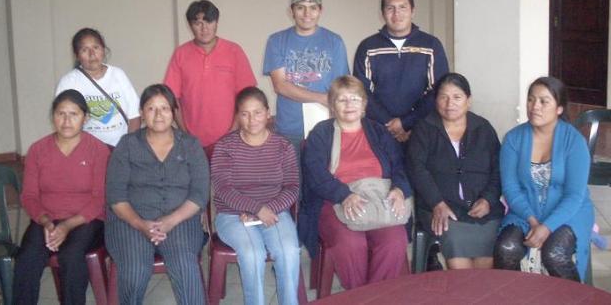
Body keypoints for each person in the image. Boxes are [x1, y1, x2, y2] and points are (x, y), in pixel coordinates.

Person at [299, 75, 412, 290]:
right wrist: (344, 195)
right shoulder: (321, 133)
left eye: (354, 99)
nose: (349, 104)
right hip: (334, 200)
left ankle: (374, 296)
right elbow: (315, 174)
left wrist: (399, 189)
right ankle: (360, 295)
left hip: (379, 199)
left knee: (395, 240)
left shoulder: (379, 131)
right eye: (342, 100)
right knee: (351, 244)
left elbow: (400, 165)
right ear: (333, 106)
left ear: (364, 104)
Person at [105, 84, 209, 304]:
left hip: (180, 219)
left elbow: (200, 194)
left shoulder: (190, 145)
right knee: (135, 270)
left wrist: (171, 220)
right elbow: (116, 196)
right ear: (142, 113)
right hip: (131, 220)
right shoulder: (127, 145)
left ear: (174, 112)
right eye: (151, 108)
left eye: (164, 108)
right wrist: (140, 224)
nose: (159, 114)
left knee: (185, 267)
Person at [14, 89, 110, 305]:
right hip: (46, 219)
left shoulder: (97, 150)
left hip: (87, 219)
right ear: (53, 117)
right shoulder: (38, 150)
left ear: (85, 118)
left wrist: (67, 226)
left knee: (71, 255)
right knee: (27, 258)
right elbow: (29, 196)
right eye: (61, 114)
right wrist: (46, 222)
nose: (66, 121)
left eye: (73, 114)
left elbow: (99, 198)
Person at [494, 76, 593, 282]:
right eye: (531, 99)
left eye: (543, 101)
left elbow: (574, 195)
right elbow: (510, 188)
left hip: (568, 212)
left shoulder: (574, 142)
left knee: (555, 253)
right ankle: (516, 296)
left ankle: (574, 297)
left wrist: (546, 227)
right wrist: (532, 221)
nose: (535, 107)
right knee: (506, 248)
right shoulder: (513, 139)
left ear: (559, 108)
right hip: (525, 211)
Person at [211, 87, 300, 305]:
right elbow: (223, 188)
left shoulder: (283, 146)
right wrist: (256, 209)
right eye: (245, 114)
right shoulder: (225, 147)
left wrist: (266, 210)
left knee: (288, 251)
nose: (252, 120)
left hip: (274, 212)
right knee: (252, 254)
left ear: (268, 113)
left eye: (258, 112)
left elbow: (292, 187)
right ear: (237, 116)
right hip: (233, 215)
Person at [407, 73, 503, 269]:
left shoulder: (483, 129)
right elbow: (417, 169)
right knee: (457, 251)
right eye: (443, 97)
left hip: (483, 210)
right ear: (436, 100)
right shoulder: (424, 129)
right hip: (441, 209)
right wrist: (437, 203)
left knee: (488, 258)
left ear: (468, 100)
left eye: (457, 97)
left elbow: (499, 169)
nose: (450, 103)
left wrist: (487, 200)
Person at [353, 0, 449, 144]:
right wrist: (390, 124)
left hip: (422, 131)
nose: (396, 14)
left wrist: (406, 122)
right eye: (390, 8)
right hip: (379, 131)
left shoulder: (431, 45)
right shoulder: (368, 47)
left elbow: (439, 90)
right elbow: (361, 92)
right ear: (382, 13)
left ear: (413, 11)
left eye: (402, 7)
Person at [164, 0, 256, 153]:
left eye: (209, 21)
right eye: (198, 23)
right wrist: (186, 134)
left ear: (216, 22)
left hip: (231, 139)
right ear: (190, 25)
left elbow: (247, 96)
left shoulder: (234, 51)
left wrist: (233, 131)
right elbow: (172, 98)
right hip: (192, 143)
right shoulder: (181, 54)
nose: (204, 28)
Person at [263, 0, 349, 149]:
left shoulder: (334, 41)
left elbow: (341, 86)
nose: (307, 14)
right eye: (300, 7)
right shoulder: (276, 41)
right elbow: (280, 85)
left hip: (326, 126)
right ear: (292, 11)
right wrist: (322, 98)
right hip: (289, 129)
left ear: (320, 11)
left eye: (313, 8)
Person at [56, 28, 140, 147]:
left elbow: (134, 115)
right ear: (77, 55)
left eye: (96, 48)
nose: (92, 54)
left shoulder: (118, 75)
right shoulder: (69, 82)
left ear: (103, 50)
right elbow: (63, 121)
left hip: (120, 149)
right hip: (87, 150)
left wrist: (128, 147)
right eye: (85, 50)